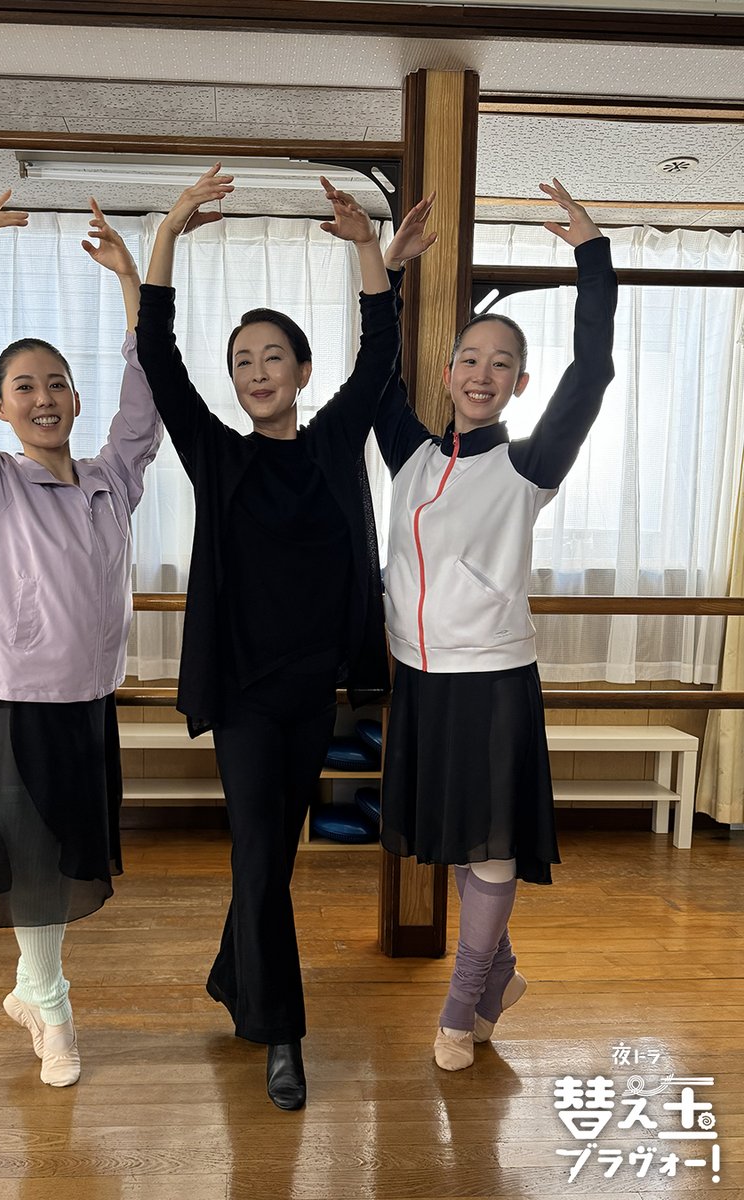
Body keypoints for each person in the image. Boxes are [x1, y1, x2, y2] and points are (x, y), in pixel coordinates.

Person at [134, 165, 400, 1109]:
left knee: (270, 858)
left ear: (301, 372)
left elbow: (382, 355)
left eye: (273, 357)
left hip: (311, 693)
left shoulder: (330, 446)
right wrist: (169, 232)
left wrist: (368, 251)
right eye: (243, 360)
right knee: (259, 856)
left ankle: (229, 970)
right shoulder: (216, 456)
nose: (256, 372)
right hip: (244, 697)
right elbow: (157, 355)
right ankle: (280, 1033)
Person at [374, 179, 617, 1071]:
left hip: (493, 681)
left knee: (493, 844)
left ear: (518, 383)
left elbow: (593, 373)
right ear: (447, 374)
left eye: (501, 363)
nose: (482, 374)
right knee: (454, 839)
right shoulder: (409, 454)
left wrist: (592, 257)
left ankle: (462, 997)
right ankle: (500, 977)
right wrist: (386, 272)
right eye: (469, 359)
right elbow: (371, 372)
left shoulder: (528, 465)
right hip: (419, 676)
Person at [0, 191, 162, 1086]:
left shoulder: (112, 479)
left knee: (60, 854)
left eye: (56, 382)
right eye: (24, 386)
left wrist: (133, 283)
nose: (44, 397)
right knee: (33, 860)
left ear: (75, 396)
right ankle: (53, 1009)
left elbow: (147, 399)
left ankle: (34, 991)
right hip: (17, 702)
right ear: (1, 407)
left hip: (87, 702)